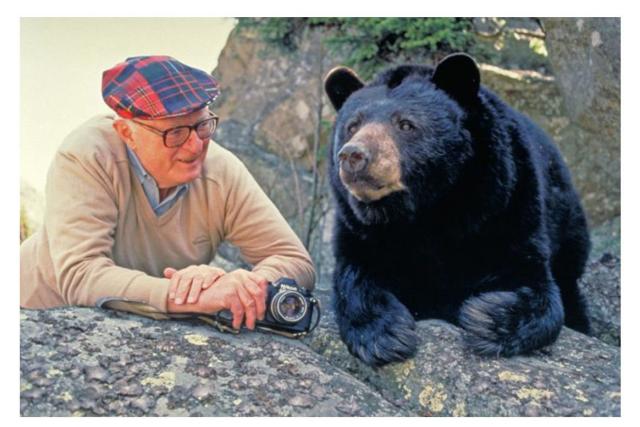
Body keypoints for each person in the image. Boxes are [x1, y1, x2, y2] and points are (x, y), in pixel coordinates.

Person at [20, 55, 316, 330]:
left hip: (139, 331)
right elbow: (81, 274)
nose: (195, 146)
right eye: (174, 133)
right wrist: (195, 297)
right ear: (126, 133)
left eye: (202, 125)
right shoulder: (87, 156)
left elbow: (294, 259)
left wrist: (245, 287)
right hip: (35, 315)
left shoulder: (220, 171)